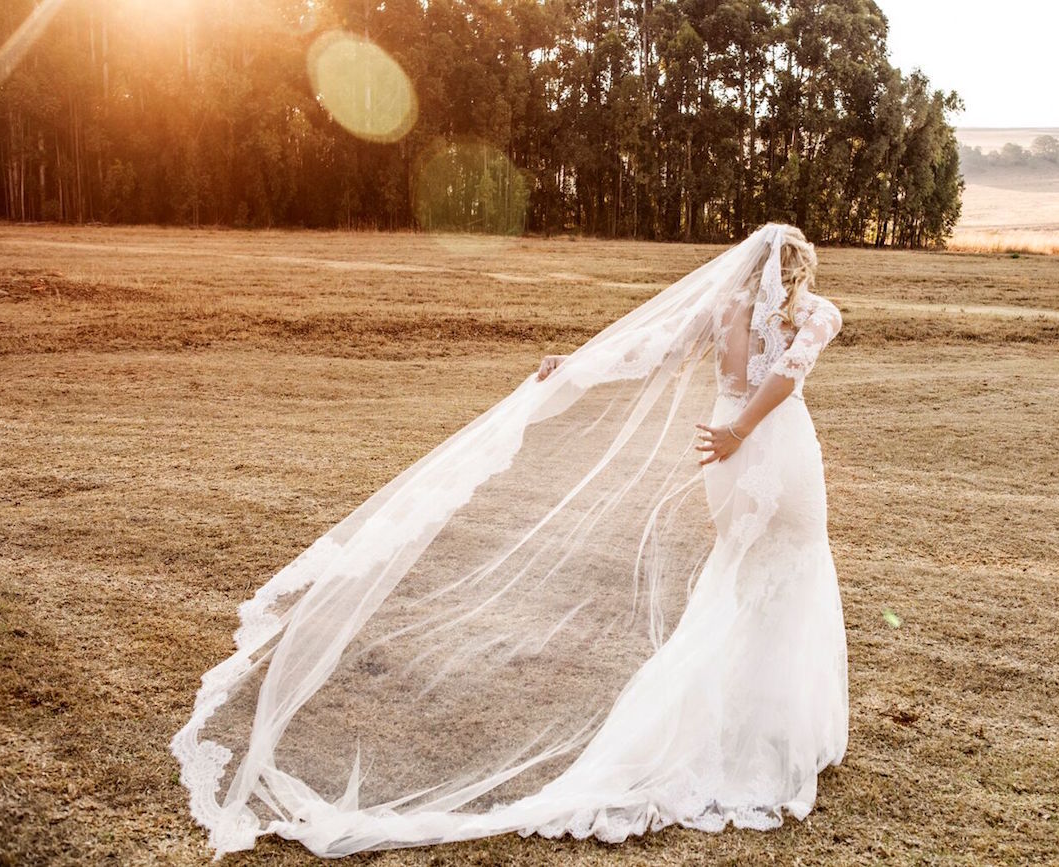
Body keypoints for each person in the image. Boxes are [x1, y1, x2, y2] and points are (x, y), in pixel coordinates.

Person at [172, 222, 847, 858]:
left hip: (725, 456)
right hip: (769, 450)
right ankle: (775, 733)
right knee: (788, 573)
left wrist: (581, 365)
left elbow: (650, 352)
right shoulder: (819, 314)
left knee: (741, 576)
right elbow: (787, 378)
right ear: (800, 272)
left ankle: (744, 724)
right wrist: (740, 430)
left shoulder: (722, 309)